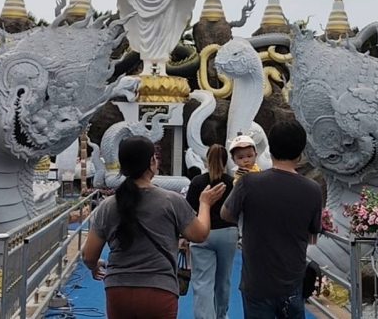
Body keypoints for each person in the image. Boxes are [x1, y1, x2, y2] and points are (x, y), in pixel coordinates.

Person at [82, 136, 226, 319]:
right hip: (159, 289)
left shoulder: (108, 206)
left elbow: (88, 256)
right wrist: (204, 204)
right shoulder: (171, 201)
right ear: (151, 162)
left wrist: (95, 266)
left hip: (119, 290)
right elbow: (200, 234)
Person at [222, 119, 323, 318]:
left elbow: (226, 214)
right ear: (301, 152)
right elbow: (313, 236)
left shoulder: (248, 182)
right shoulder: (313, 190)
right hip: (292, 282)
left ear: (270, 149)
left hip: (257, 282)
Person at [185, 144, 237, 319]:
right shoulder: (232, 182)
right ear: (226, 161)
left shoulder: (198, 182)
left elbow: (189, 210)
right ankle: (221, 315)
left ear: (206, 160)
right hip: (228, 233)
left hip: (202, 233)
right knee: (224, 281)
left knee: (202, 282)